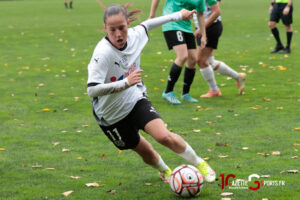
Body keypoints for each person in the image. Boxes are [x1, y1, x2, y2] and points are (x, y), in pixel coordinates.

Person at [87, 4, 216, 183]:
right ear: (105, 28)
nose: (118, 34)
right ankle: (165, 171)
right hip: (110, 115)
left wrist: (179, 15)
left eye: (122, 28)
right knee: (145, 151)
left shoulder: (135, 35)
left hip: (135, 99)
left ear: (128, 24)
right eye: (112, 29)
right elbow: (92, 89)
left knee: (164, 136)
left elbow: (150, 24)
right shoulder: (103, 53)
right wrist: (125, 83)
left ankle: (199, 162)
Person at [149, 0, 207, 105]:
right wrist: (152, 15)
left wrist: (204, 35)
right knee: (183, 55)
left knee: (193, 59)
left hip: (187, 27)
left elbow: (200, 14)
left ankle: (185, 94)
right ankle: (168, 91)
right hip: (172, 24)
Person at [194, 0, 246, 97]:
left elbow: (217, 12)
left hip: (209, 27)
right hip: (204, 27)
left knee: (201, 60)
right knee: (210, 61)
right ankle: (238, 77)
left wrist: (202, 28)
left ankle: (214, 90)